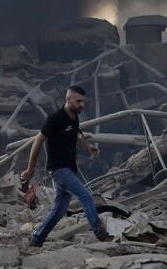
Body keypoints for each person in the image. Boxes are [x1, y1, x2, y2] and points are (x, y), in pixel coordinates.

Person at [21, 85, 110, 246]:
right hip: (59, 170)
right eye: (78, 101)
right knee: (86, 197)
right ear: (68, 99)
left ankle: (37, 239)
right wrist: (30, 169)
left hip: (68, 169)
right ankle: (100, 232)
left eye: (83, 101)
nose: (82, 105)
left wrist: (88, 146)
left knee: (59, 210)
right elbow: (38, 141)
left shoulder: (74, 117)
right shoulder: (55, 118)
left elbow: (73, 136)